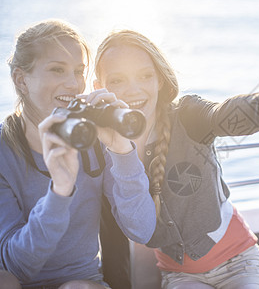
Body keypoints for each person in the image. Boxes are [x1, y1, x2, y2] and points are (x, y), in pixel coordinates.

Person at [92, 29, 259, 289]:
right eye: (117, 80)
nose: (133, 90)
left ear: (159, 79)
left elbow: (224, 114)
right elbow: (141, 231)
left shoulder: (187, 115)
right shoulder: (102, 150)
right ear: (99, 88)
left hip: (240, 263)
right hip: (181, 275)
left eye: (145, 75)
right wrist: (121, 151)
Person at [0, 19, 156, 288]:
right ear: (21, 80)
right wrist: (59, 192)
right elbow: (18, 266)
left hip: (83, 282)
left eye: (78, 71)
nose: (73, 84)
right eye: (57, 70)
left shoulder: (93, 141)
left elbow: (142, 230)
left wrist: (121, 151)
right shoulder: (4, 152)